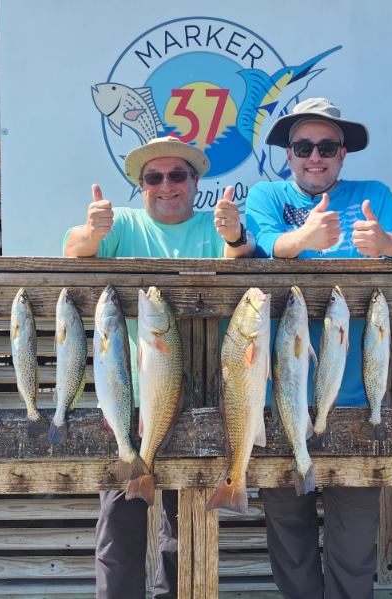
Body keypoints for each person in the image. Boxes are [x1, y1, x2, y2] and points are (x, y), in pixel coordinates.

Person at [246, 98, 392, 599]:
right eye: (304, 146)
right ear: (289, 154)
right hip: (280, 398)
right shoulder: (265, 196)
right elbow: (261, 246)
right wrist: (301, 238)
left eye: (327, 146)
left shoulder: (374, 194)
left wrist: (387, 244)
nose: (315, 156)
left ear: (343, 154)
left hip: (357, 399)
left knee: (353, 540)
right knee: (289, 534)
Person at [63, 135, 253, 599]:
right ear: (141, 185)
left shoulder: (215, 226)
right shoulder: (121, 225)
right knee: (118, 522)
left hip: (201, 398)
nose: (166, 185)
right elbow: (73, 250)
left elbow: (245, 265)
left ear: (195, 182)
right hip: (126, 396)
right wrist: (91, 232)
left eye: (177, 175)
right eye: (154, 177)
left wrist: (236, 238)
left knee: (182, 523)